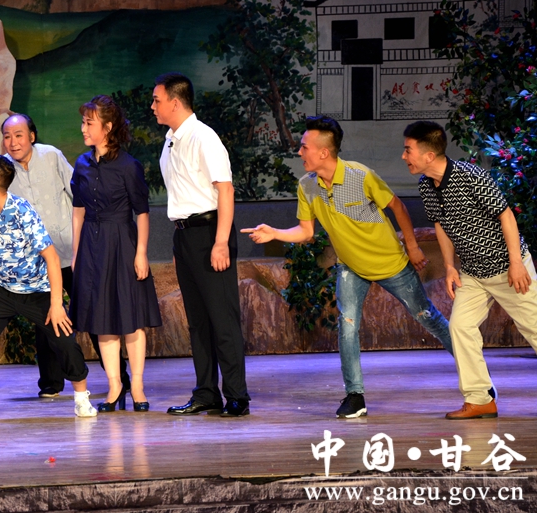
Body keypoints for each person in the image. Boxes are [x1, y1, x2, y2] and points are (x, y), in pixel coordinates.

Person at [243, 115, 452, 419]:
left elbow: (397, 206)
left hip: (391, 264)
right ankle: (355, 395)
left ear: (323, 152)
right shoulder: (307, 186)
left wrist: (413, 246)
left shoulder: (360, 175)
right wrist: (275, 232)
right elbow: (306, 232)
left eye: (304, 147)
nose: (299, 152)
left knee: (428, 317)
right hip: (350, 266)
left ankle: (477, 379)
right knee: (347, 326)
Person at [402, 121, 536, 419]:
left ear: (428, 155)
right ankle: (480, 399)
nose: (404, 156)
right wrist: (450, 267)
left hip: (505, 266)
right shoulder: (426, 184)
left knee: (535, 328)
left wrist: (516, 263)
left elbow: (506, 216)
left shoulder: (470, 175)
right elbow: (441, 225)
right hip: (473, 273)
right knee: (460, 328)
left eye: (408, 150)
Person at [0, 155, 97, 421]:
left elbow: (52, 257)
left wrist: (56, 304)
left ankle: (81, 397)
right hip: (2, 289)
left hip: (37, 291)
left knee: (63, 335)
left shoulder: (21, 210)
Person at [151, 72, 250, 418]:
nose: (153, 107)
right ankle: (206, 392)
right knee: (197, 320)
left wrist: (221, 242)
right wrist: (182, 242)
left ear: (175, 102)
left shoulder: (203, 137)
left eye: (157, 100)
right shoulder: (170, 140)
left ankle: (236, 395)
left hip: (209, 232)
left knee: (222, 317)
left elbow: (225, 189)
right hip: (185, 235)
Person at [70, 96, 160, 412]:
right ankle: (114, 386)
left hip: (122, 242)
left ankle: (137, 386)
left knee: (131, 319)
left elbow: (142, 212)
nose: (83, 128)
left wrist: (141, 253)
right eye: (83, 122)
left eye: (89, 123)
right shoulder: (82, 164)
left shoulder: (128, 165)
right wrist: (77, 253)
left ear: (107, 127)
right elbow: (78, 211)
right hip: (92, 245)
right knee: (102, 318)